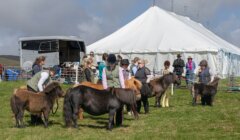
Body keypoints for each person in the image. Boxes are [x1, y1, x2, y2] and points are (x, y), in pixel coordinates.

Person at [102, 54, 125, 126]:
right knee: (110, 106)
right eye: (110, 62)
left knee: (119, 106)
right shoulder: (104, 69)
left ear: (115, 62)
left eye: (113, 62)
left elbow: (121, 79)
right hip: (109, 89)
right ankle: (111, 122)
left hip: (118, 88)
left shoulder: (119, 69)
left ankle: (119, 122)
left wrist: (123, 89)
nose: (111, 64)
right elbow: (104, 80)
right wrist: (106, 88)